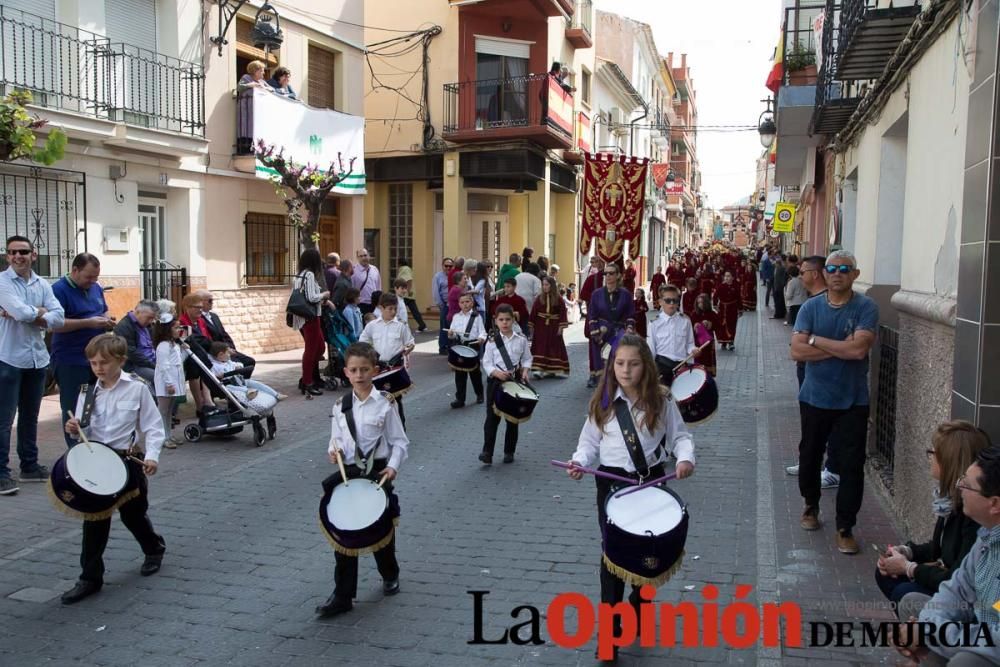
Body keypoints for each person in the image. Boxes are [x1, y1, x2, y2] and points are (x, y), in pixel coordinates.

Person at [565, 335, 695, 662]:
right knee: (612, 556)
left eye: (633, 363)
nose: (626, 370)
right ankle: (609, 636)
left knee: (647, 555)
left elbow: (680, 437)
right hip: (611, 485)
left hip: (651, 482)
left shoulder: (662, 401)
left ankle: (639, 603)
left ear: (646, 366)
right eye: (619, 363)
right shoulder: (604, 402)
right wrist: (579, 462)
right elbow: (588, 444)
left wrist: (685, 458)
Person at [60, 334, 166, 604]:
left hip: (128, 461)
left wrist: (152, 456)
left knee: (134, 516)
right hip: (97, 464)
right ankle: (90, 578)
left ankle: (153, 548)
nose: (98, 368)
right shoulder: (88, 392)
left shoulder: (137, 388)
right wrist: (74, 429)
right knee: (94, 521)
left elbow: (153, 426)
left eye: (104, 362)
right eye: (94, 363)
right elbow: (83, 430)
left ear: (121, 360)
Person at [791, 250, 879, 554]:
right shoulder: (811, 308)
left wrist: (816, 340)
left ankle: (845, 527)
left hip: (853, 400)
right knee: (810, 455)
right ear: (824, 274)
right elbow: (797, 352)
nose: (838, 273)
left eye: (845, 268)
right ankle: (810, 506)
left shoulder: (866, 307)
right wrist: (843, 347)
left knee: (852, 465)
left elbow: (858, 352)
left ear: (854, 274)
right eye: (832, 268)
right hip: (815, 397)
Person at [315, 342, 408, 618]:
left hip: (378, 472)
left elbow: (400, 442)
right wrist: (333, 452)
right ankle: (343, 595)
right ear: (346, 372)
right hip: (350, 472)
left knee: (380, 529)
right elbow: (336, 439)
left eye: (365, 369)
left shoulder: (386, 404)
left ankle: (390, 572)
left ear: (375, 371)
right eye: (354, 370)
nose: (359, 375)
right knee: (344, 530)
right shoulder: (339, 405)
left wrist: (392, 467)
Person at [894, 445, 1000, 666]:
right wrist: (924, 629)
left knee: (967, 661)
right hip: (977, 628)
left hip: (992, 645)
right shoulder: (987, 535)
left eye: (967, 485)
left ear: (994, 504)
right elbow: (956, 589)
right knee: (912, 603)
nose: (959, 487)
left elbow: (996, 639)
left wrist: (930, 633)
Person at [875, 421, 988, 611]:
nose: (930, 457)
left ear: (949, 460)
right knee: (887, 574)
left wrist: (908, 568)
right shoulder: (949, 500)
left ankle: (919, 632)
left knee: (904, 592)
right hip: (950, 583)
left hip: (967, 601)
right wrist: (906, 551)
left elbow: (957, 578)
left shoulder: (973, 514)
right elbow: (939, 547)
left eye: (933, 453)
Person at [0, 235, 65, 495]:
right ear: (7, 256)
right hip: (8, 359)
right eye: (13, 252)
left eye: (23, 252)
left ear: (33, 255)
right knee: (4, 421)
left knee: (31, 417)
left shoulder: (42, 283)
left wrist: (31, 312)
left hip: (37, 359)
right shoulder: (2, 282)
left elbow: (59, 318)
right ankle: (1, 473)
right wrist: (38, 312)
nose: (18, 256)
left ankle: (29, 466)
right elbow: (22, 313)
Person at [51, 253, 115, 448]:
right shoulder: (58, 290)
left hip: (97, 357)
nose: (93, 281)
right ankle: (76, 451)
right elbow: (54, 324)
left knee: (98, 403)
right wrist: (88, 322)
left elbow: (103, 309)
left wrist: (107, 318)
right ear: (75, 270)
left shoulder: (95, 287)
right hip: (70, 358)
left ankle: (97, 445)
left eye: (96, 277)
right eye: (88, 277)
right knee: (73, 408)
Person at [479, 304, 531, 465]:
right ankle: (487, 452)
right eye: (501, 320)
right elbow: (486, 362)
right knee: (492, 418)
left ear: (513, 320)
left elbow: (527, 358)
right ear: (496, 321)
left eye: (508, 319)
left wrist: (525, 370)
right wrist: (495, 373)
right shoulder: (492, 341)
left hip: (513, 381)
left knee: (512, 419)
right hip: (495, 382)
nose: (505, 323)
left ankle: (509, 451)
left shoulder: (521, 340)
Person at [360, 292, 415, 428]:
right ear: (381, 308)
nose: (393, 311)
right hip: (379, 367)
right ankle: (381, 429)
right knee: (378, 399)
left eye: (395, 308)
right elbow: (363, 341)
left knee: (396, 399)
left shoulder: (401, 325)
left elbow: (410, 342)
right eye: (389, 308)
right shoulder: (372, 325)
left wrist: (409, 347)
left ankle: (400, 429)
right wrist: (370, 354)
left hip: (395, 366)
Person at [586, 263, 635, 389]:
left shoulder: (626, 294)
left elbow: (630, 315)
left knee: (617, 361)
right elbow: (592, 316)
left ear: (618, 275)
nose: (607, 276)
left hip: (619, 333)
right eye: (605, 273)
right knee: (602, 365)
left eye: (611, 273)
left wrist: (629, 328)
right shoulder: (596, 294)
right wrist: (595, 333)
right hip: (601, 333)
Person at [292, 249, 330, 397]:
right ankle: (307, 382)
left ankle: (310, 378)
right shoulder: (308, 275)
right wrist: (324, 294)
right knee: (311, 350)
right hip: (310, 317)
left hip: (308, 317)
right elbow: (312, 298)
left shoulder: (300, 275)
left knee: (319, 347)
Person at [196, 290, 256, 377]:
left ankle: (241, 384)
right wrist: (224, 350)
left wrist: (230, 348)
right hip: (217, 352)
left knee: (250, 361)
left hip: (226, 349)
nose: (212, 303)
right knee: (242, 364)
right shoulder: (199, 318)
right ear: (201, 302)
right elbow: (207, 340)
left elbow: (224, 334)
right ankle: (230, 385)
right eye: (210, 300)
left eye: (212, 300)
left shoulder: (214, 316)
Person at [152, 314, 190, 450]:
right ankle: (161, 437)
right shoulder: (163, 345)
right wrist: (169, 383)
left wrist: (185, 349)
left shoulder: (173, 344)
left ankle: (168, 435)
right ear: (167, 329)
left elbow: (178, 361)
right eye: (175, 327)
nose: (178, 329)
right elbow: (163, 366)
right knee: (162, 411)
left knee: (169, 412)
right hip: (166, 382)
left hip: (174, 379)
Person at [647, 285, 697, 387]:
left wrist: (694, 350)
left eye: (675, 300)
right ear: (660, 302)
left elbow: (689, 344)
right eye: (668, 300)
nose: (672, 304)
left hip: (681, 367)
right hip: (662, 366)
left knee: (680, 400)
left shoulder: (685, 321)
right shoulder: (654, 323)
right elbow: (651, 349)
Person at [209, 342, 283, 402]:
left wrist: (239, 366)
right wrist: (218, 375)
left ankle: (275, 394)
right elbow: (213, 375)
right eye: (228, 353)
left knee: (253, 382)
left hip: (238, 380)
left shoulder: (228, 362)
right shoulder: (215, 366)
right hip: (227, 384)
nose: (230, 355)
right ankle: (248, 392)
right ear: (221, 355)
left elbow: (238, 364)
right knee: (231, 388)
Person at [448, 293, 486, 409]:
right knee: (459, 375)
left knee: (475, 373)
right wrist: (451, 334)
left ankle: (479, 394)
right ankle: (460, 399)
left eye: (467, 302)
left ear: (472, 303)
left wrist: (481, 338)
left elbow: (482, 332)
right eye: (462, 302)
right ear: (459, 304)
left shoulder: (477, 316)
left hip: (472, 345)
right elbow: (452, 333)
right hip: (460, 346)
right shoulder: (456, 317)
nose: (465, 304)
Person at [529, 276, 569, 379]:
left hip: (553, 326)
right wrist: (531, 326)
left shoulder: (558, 298)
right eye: (543, 285)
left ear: (552, 286)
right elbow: (534, 312)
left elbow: (562, 313)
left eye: (547, 285)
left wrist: (560, 328)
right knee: (540, 347)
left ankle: (554, 369)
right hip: (541, 326)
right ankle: (539, 369)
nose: (544, 287)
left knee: (554, 346)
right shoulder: (539, 298)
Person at [113, 300, 159, 388]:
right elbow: (131, 353)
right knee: (161, 377)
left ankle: (163, 401)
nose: (151, 321)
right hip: (135, 366)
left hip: (150, 362)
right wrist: (154, 365)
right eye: (149, 318)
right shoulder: (124, 326)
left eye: (153, 318)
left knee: (171, 374)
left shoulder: (146, 325)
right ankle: (156, 401)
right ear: (137, 312)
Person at [690, 293, 718, 377]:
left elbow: (718, 325)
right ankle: (698, 374)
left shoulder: (712, 313)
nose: (700, 305)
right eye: (698, 303)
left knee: (708, 357)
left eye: (702, 303)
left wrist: (710, 324)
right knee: (699, 356)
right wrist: (695, 326)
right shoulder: (694, 314)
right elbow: (690, 327)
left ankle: (709, 374)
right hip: (698, 340)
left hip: (708, 341)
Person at [395, 259, 426, 332]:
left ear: (399, 264)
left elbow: (409, 280)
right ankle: (422, 325)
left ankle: (422, 325)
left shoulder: (404, 269)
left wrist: (408, 291)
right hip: (408, 294)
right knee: (414, 311)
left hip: (406, 295)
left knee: (397, 308)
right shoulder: (406, 269)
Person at [713, 271, 740, 351]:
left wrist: (740, 309)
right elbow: (715, 296)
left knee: (732, 325)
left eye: (728, 276)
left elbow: (739, 298)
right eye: (725, 276)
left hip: (732, 309)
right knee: (722, 325)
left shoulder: (735, 286)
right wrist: (715, 305)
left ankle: (731, 342)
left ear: (732, 277)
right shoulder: (721, 286)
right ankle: (724, 342)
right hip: (722, 309)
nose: (727, 278)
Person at [432, 258, 454, 355]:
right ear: (442, 266)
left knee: (452, 326)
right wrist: (441, 304)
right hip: (444, 304)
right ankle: (443, 347)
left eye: (450, 266)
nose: (448, 268)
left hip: (453, 304)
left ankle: (451, 346)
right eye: (446, 266)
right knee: (444, 326)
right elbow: (435, 291)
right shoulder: (438, 276)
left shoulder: (454, 276)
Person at [352, 248, 382, 316]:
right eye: (361, 256)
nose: (363, 258)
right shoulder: (354, 271)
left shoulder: (375, 269)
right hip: (361, 305)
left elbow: (378, 287)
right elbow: (352, 288)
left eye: (365, 255)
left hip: (374, 305)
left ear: (369, 256)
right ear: (357, 258)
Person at [771, 253, 787, 319]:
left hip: (778, 288)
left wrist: (777, 287)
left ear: (777, 264)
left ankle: (778, 314)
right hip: (778, 287)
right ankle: (781, 314)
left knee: (778, 302)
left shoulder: (780, 269)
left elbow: (778, 279)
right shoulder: (780, 268)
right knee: (780, 302)